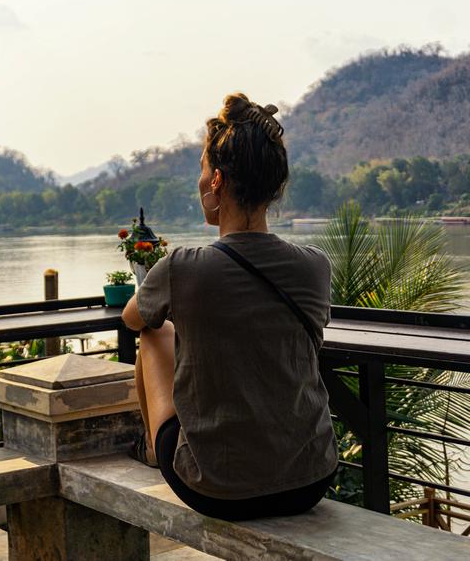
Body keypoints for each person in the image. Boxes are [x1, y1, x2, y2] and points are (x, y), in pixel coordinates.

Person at [121, 93, 338, 521]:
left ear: (217, 181)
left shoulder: (183, 268)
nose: (199, 183)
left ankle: (152, 451)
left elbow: (133, 319)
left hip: (216, 487)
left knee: (154, 332)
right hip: (311, 478)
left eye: (202, 172)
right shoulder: (315, 266)